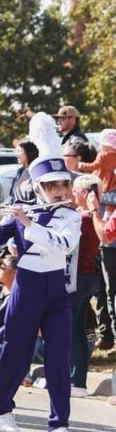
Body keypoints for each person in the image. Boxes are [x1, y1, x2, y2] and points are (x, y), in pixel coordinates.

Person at [0, 113, 82, 432]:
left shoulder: (71, 216)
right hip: (26, 286)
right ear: (39, 187)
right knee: (17, 351)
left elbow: (64, 245)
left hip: (55, 289)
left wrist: (27, 223)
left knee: (57, 355)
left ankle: (59, 423)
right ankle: (2, 409)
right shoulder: (25, 211)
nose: (59, 190)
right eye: (52, 186)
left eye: (63, 185)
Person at [79, 128, 116, 349]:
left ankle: (107, 334)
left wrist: (94, 209)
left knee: (111, 292)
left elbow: (106, 234)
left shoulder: (103, 160)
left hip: (109, 241)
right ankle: (106, 334)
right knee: (107, 291)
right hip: (107, 240)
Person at [71, 176, 103, 396]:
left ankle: (75, 380)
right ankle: (78, 382)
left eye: (75, 190)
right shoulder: (94, 216)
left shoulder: (81, 218)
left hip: (77, 278)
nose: (72, 193)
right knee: (79, 330)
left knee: (70, 330)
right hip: (90, 277)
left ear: (84, 193)